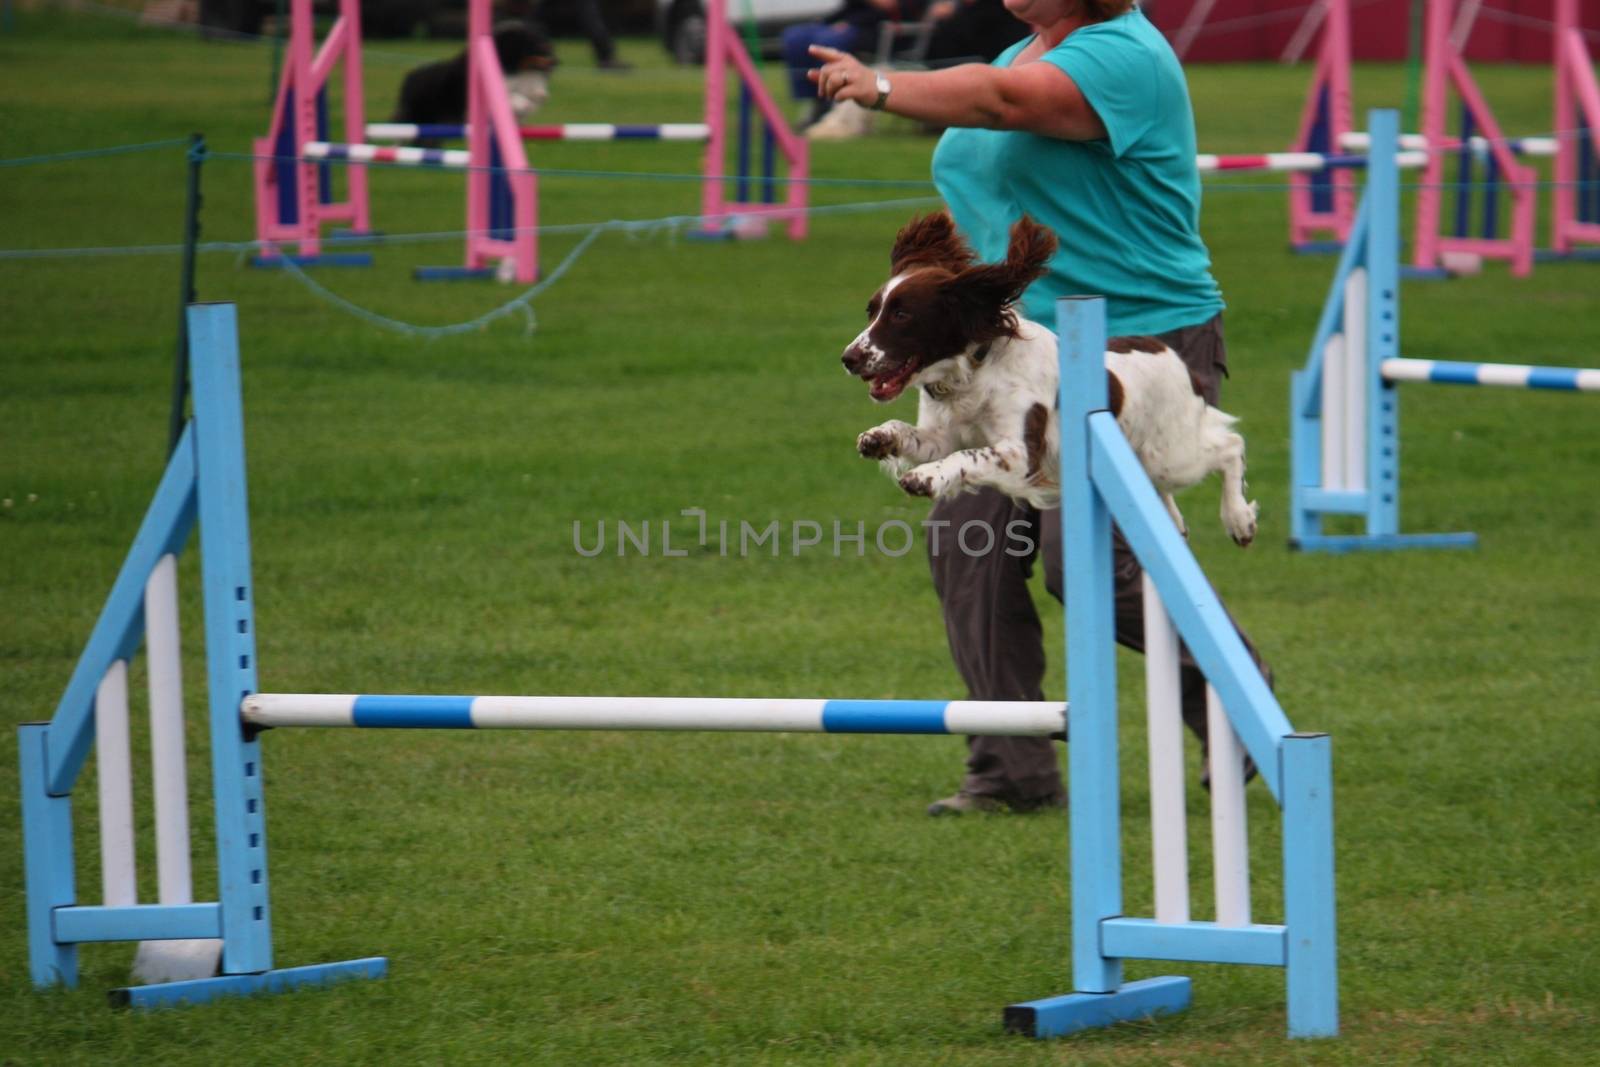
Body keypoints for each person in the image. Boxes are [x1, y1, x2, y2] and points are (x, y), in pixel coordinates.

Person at [809, 0, 1272, 815]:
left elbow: (1002, 104)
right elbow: (985, 177)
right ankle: (1009, 769)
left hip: (1139, 348)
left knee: (1090, 565)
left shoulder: (1123, 58)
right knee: (969, 548)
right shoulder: (1023, 51)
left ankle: (1239, 701)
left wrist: (878, 86)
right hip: (1021, 351)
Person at [782, 0, 904, 127]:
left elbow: (889, 5)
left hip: (875, 29)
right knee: (795, 37)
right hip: (850, 20)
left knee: (827, 40)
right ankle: (816, 100)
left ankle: (829, 102)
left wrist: (849, 23)